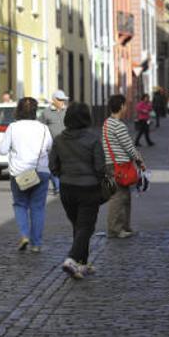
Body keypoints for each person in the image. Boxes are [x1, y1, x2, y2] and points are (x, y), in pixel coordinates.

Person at [50, 103, 105, 279]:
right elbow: (100, 167)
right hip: (89, 188)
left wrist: (63, 175)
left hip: (67, 188)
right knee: (86, 227)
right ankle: (72, 259)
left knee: (78, 226)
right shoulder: (93, 139)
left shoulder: (59, 139)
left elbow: (53, 166)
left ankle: (82, 264)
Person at [0, 97, 53, 252]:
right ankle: (36, 244)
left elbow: (2, 150)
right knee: (38, 208)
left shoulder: (13, 127)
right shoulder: (43, 128)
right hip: (40, 171)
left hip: (19, 172)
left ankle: (24, 235)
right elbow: (49, 146)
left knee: (20, 204)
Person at [102, 95, 144, 239]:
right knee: (118, 197)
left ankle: (124, 226)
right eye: (125, 105)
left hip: (112, 164)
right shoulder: (118, 125)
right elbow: (129, 147)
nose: (126, 108)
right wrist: (139, 160)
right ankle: (115, 229)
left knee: (124, 196)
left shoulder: (107, 123)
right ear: (120, 106)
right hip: (119, 166)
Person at [40, 90, 68, 196]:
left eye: (63, 100)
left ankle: (62, 186)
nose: (62, 102)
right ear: (54, 100)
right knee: (53, 166)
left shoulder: (67, 111)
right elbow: (40, 126)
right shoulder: (46, 112)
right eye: (60, 100)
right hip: (52, 145)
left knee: (65, 166)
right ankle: (58, 187)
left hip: (66, 144)